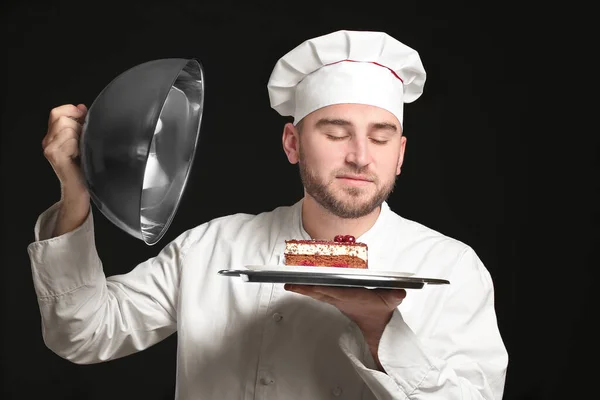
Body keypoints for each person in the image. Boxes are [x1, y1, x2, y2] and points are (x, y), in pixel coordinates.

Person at [28, 30, 508, 399]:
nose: (361, 157)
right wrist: (75, 191)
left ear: (400, 154)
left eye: (380, 137)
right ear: (292, 144)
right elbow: (83, 332)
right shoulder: (213, 247)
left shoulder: (452, 267)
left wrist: (380, 329)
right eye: (336, 133)